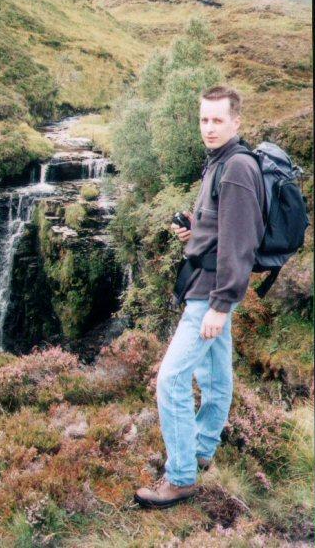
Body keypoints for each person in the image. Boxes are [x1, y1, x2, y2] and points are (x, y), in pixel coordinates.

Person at [134, 86, 265, 509]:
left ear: (236, 122)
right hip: (206, 285)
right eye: (204, 120)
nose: (209, 128)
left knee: (171, 380)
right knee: (214, 378)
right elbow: (221, 228)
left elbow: (240, 243)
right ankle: (203, 449)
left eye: (217, 120)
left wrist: (221, 305)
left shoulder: (236, 168)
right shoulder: (218, 163)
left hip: (209, 294)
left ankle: (181, 477)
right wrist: (195, 231)